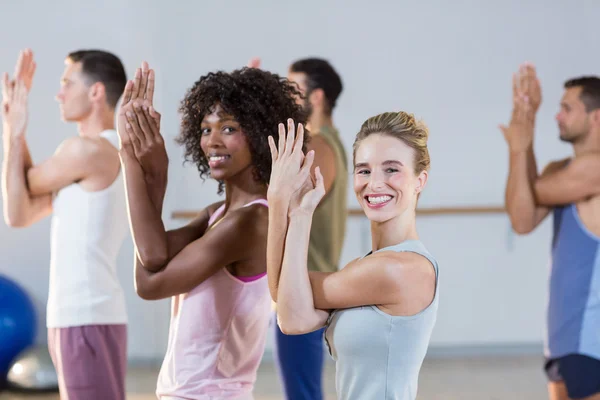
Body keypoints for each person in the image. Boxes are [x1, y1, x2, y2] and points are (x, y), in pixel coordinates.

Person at [116, 61, 306, 399]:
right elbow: (155, 252)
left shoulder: (249, 223)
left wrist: (133, 161)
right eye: (206, 129)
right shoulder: (217, 214)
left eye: (229, 129)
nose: (213, 141)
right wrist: (151, 172)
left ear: (262, 135)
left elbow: (148, 282)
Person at [266, 112, 439, 399]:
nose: (375, 183)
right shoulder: (365, 267)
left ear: (420, 180)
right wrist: (292, 209)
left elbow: (283, 295)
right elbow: (291, 315)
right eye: (364, 170)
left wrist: (280, 204)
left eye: (391, 170)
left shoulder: (398, 269)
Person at [1, 48, 129, 400]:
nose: (58, 94)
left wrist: (14, 130)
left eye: (66, 83)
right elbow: (19, 213)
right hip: (81, 317)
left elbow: (23, 186)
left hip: (85, 316)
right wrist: (15, 133)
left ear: (96, 92)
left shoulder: (87, 152)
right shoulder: (95, 156)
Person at [248, 56, 348, 400]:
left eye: (294, 90)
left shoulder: (319, 146)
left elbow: (281, 205)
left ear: (316, 97)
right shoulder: (324, 141)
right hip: (303, 285)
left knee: (302, 393)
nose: (287, 97)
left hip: (302, 287)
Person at [501, 64, 600, 400]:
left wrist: (519, 146)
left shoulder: (595, 170)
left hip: (591, 342)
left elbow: (528, 194)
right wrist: (523, 134)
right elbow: (522, 218)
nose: (557, 116)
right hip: (562, 338)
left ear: (596, 118)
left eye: (567, 108)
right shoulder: (561, 171)